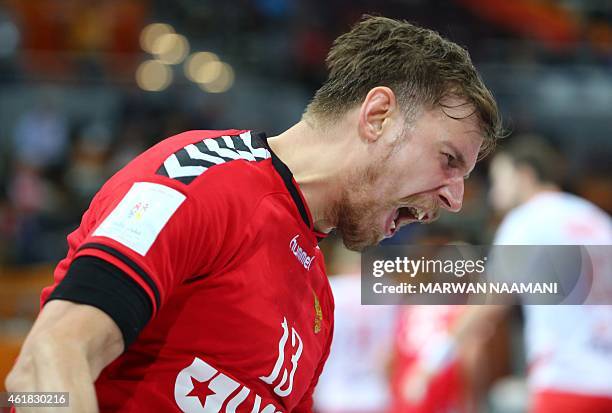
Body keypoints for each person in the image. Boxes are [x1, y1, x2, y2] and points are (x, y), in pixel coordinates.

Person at [6, 15, 501, 413]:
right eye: (448, 160)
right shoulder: (200, 182)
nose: (456, 199)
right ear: (378, 116)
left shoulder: (318, 304)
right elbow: (39, 371)